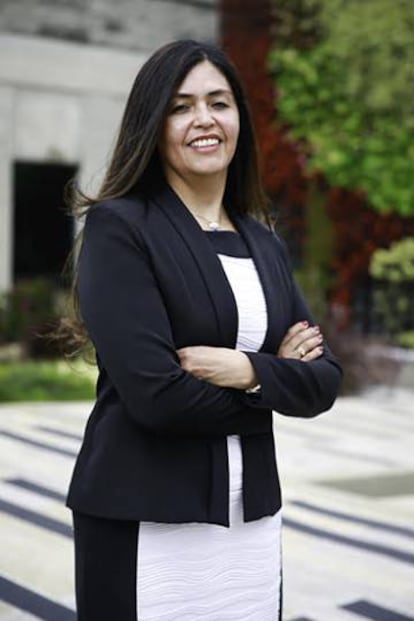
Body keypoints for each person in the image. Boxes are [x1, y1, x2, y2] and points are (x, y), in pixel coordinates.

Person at [66, 39, 342, 621]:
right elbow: (156, 397)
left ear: (239, 117)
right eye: (181, 106)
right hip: (146, 519)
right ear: (154, 123)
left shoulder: (261, 240)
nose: (204, 120)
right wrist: (275, 381)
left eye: (219, 102)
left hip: (252, 523)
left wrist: (245, 371)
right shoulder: (122, 229)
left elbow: (324, 379)